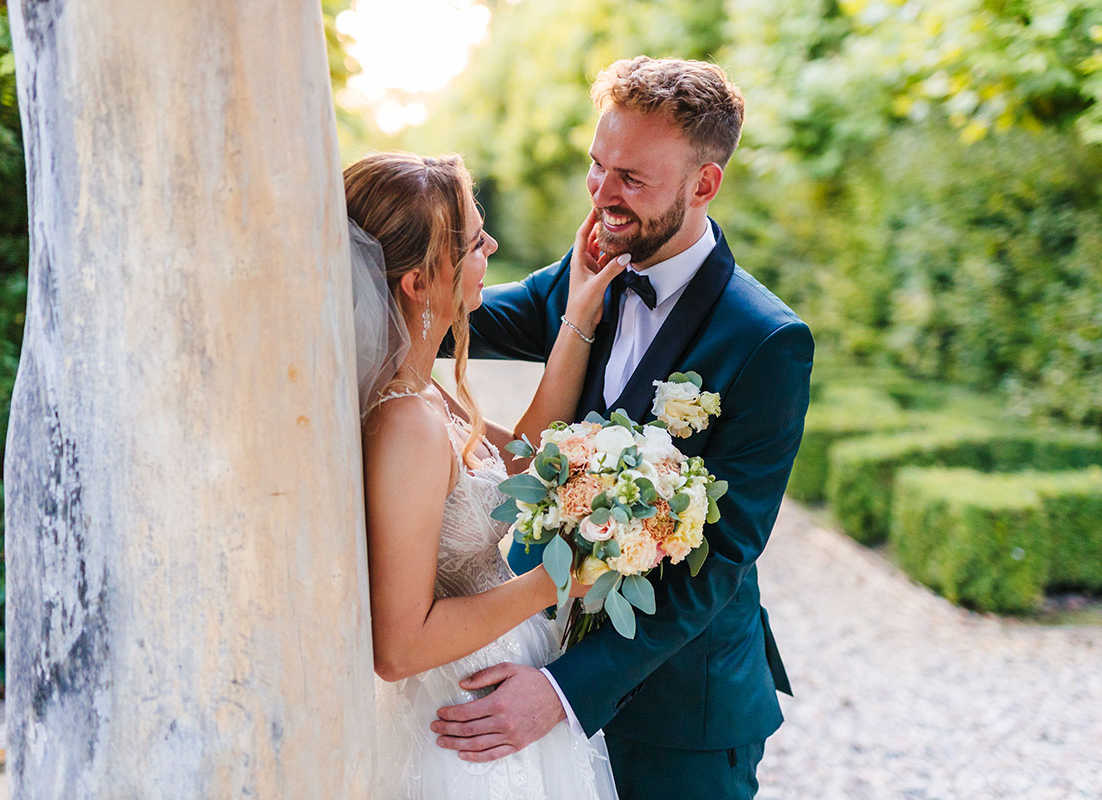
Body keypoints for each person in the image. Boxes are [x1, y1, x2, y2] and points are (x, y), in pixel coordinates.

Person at [429, 57, 814, 799]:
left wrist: (563, 691)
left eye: (632, 178)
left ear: (704, 184)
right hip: (528, 648)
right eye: (597, 166)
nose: (603, 194)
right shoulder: (583, 275)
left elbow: (722, 559)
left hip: (679, 715)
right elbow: (436, 319)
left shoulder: (766, 341)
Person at [347, 151, 627, 799]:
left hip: (494, 678)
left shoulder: (418, 391)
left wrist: (577, 320)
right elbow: (398, 647)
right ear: (419, 282)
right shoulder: (406, 424)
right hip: (464, 718)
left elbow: (522, 456)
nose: (492, 246)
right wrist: (561, 576)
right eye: (475, 241)